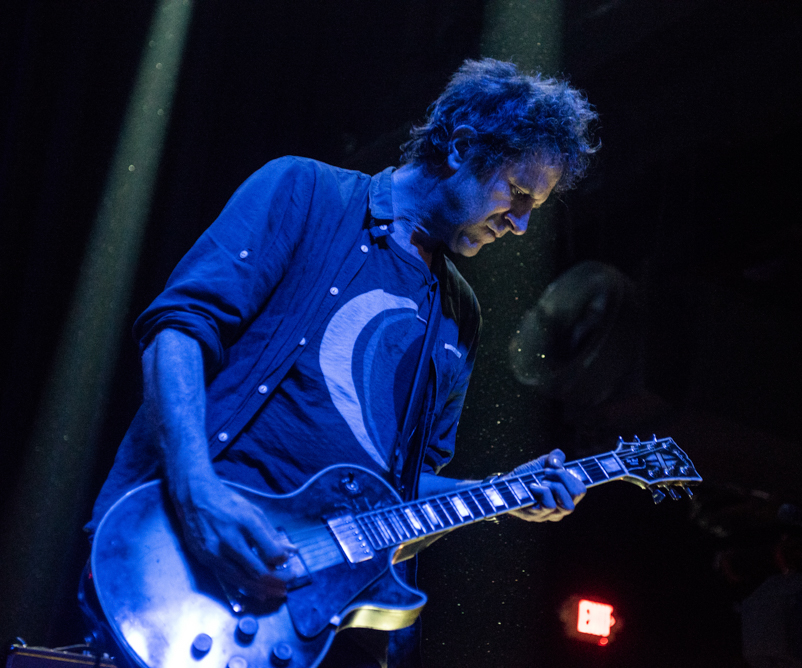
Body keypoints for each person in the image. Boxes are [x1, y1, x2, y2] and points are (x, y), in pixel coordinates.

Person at [82, 58, 599, 667]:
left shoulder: (460, 314)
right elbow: (179, 328)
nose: (521, 224)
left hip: (315, 624)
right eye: (517, 193)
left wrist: (497, 492)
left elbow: (399, 500)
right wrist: (198, 492)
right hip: (183, 556)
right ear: (461, 148)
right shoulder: (305, 192)